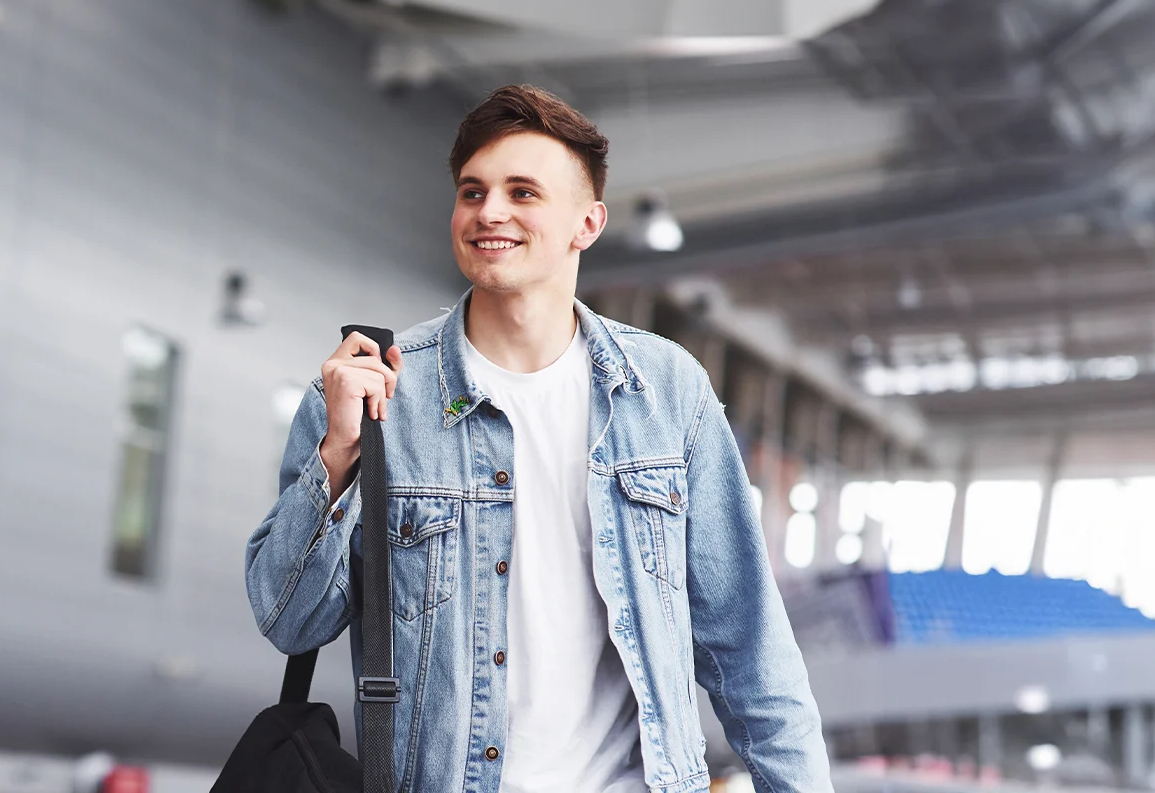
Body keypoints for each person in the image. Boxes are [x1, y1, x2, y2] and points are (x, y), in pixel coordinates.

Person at [244, 85, 831, 793]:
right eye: (472, 191)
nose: (489, 211)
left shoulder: (665, 391)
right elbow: (289, 621)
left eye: (523, 193)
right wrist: (338, 457)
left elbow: (750, 652)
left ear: (588, 223)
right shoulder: (370, 395)